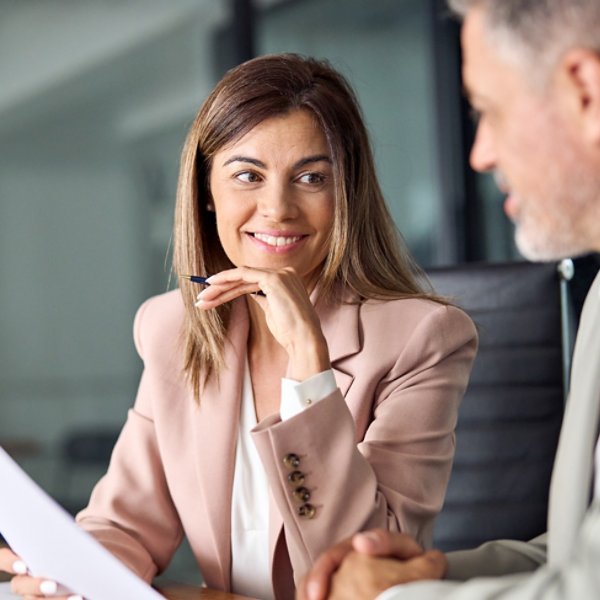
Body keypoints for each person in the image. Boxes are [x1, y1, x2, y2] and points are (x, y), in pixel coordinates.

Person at [0, 54, 477, 599]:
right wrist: (72, 574)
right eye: (248, 175)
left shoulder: (423, 339)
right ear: (207, 191)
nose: (277, 208)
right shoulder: (172, 328)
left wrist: (308, 363)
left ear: (346, 194)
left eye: (311, 178)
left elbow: (365, 569)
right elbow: (127, 524)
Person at [297, 1, 600, 598]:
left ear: (586, 92)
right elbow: (579, 556)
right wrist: (430, 573)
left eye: (489, 110)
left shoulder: (422, 336)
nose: (479, 153)